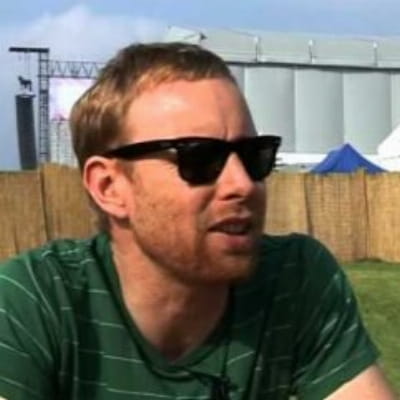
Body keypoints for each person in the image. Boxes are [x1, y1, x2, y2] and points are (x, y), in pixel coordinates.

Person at [0, 42, 396, 400]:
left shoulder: (294, 279)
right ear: (109, 187)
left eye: (254, 155)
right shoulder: (36, 300)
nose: (243, 184)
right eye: (200, 158)